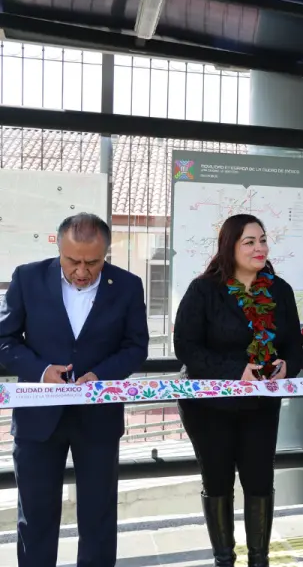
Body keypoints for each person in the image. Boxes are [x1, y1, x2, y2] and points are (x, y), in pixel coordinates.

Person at [0, 213, 149, 567]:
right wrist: (40, 371)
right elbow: (4, 340)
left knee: (98, 517)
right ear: (58, 248)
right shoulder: (27, 278)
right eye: (73, 261)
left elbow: (135, 346)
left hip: (98, 419)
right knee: (35, 517)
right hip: (38, 420)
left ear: (107, 253)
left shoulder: (128, 286)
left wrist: (100, 375)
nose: (82, 270)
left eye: (93, 262)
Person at [173, 214, 303, 567]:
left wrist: (285, 367)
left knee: (259, 481)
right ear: (229, 246)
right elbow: (186, 347)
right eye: (249, 241)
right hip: (209, 407)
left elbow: (294, 346)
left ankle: (259, 559)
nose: (260, 247)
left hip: (261, 405)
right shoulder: (204, 290)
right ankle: (224, 559)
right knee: (217, 481)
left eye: (263, 240)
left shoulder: (280, 290)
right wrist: (236, 371)